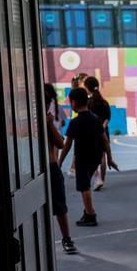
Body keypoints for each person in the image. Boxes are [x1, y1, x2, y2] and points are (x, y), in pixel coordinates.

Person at [57, 87, 115, 228]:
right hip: (95, 158)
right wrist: (110, 158)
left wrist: (59, 162)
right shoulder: (95, 119)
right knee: (85, 184)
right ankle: (88, 210)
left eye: (71, 103)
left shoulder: (75, 123)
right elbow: (105, 140)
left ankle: (90, 214)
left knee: (84, 187)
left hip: (82, 158)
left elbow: (67, 145)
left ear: (75, 103)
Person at [44, 83, 77, 254]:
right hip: (40, 168)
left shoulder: (50, 118)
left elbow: (59, 142)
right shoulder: (30, 120)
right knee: (56, 205)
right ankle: (65, 239)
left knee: (59, 205)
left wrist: (49, 125)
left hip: (50, 166)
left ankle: (66, 238)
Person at [82, 76, 116, 191]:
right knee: (103, 157)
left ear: (87, 88)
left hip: (92, 132)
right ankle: (102, 179)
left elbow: (87, 118)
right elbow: (107, 119)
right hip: (103, 131)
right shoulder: (104, 102)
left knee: (91, 156)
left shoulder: (88, 103)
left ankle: (97, 178)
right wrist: (102, 127)